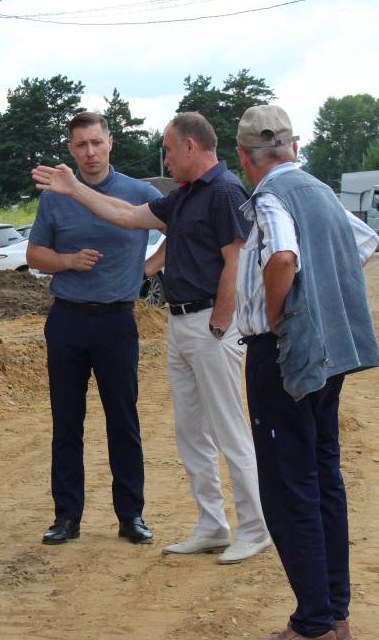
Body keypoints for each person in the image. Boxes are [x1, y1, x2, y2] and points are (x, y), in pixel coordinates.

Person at [32, 112, 272, 565]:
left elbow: (236, 261)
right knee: (191, 432)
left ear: (189, 147)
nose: (163, 157)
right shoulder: (184, 197)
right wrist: (75, 191)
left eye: (166, 148)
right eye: (80, 144)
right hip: (176, 323)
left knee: (228, 430)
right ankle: (212, 526)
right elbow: (126, 216)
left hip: (207, 325)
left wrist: (222, 322)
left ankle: (255, 528)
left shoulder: (224, 192)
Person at [230, 106, 379, 640]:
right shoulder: (319, 191)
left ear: (245, 158)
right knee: (322, 478)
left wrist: (279, 311)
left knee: (289, 484)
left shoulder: (271, 198)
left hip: (284, 356)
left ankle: (313, 624)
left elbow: (284, 256)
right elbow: (364, 243)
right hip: (326, 358)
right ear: (292, 147)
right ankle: (334, 614)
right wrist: (320, 299)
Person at [27, 112, 162, 546]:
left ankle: (131, 516)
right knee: (67, 422)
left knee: (123, 421)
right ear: (71, 149)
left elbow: (183, 230)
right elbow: (33, 254)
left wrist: (147, 270)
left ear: (110, 143)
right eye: (81, 144)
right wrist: (67, 261)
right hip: (67, 318)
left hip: (117, 321)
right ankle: (67, 517)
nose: (90, 152)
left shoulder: (139, 193)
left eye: (96, 143)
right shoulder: (54, 197)